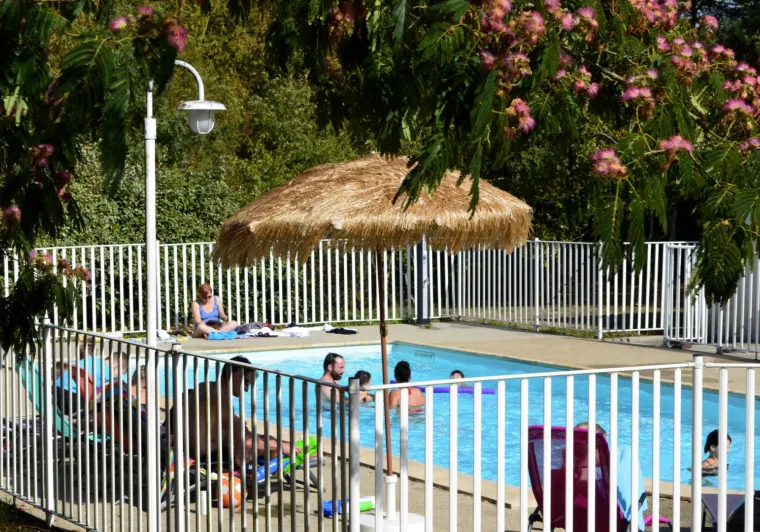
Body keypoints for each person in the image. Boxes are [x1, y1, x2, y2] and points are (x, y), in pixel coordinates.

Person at [186, 356, 298, 466]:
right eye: (247, 383)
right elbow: (247, 441)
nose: (246, 389)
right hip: (208, 457)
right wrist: (283, 446)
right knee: (274, 450)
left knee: (264, 439)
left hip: (191, 450)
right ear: (236, 376)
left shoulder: (205, 387)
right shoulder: (219, 399)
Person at [575, 422, 647, 530]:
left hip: (577, 519)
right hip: (610, 521)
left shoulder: (569, 470)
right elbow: (626, 499)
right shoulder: (615, 465)